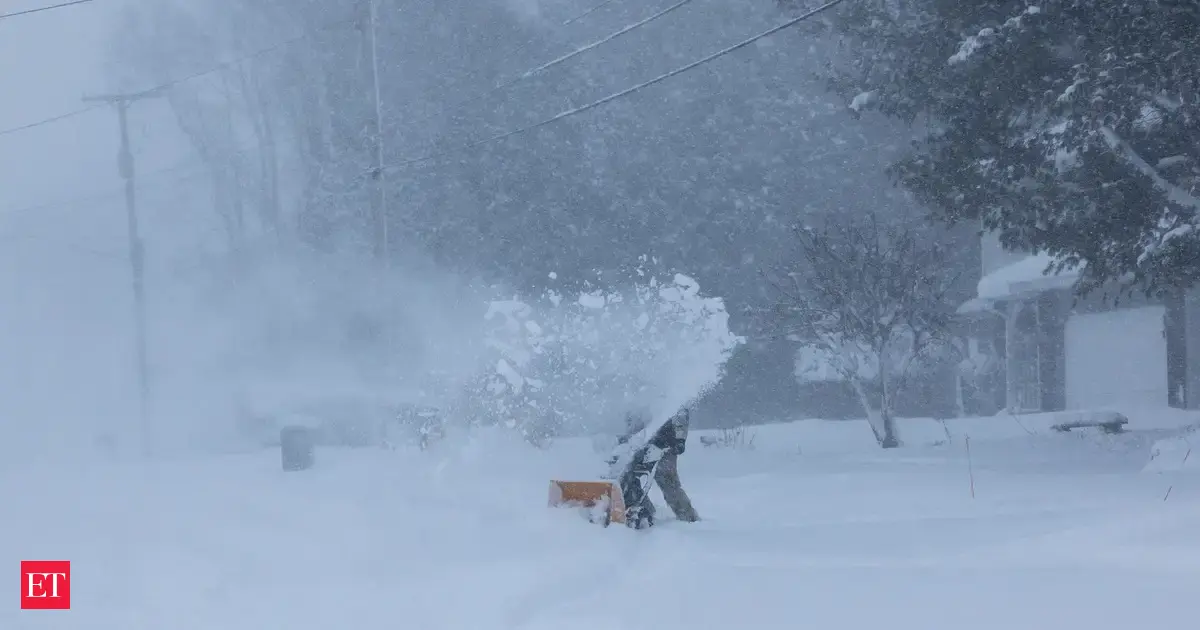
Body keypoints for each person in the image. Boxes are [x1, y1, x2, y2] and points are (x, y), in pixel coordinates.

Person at [609, 407, 699, 529]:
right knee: (629, 478)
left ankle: (688, 517)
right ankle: (643, 510)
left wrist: (680, 440)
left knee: (668, 482)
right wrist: (627, 437)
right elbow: (633, 420)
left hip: (665, 445)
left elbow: (681, 416)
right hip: (640, 446)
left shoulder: (672, 396)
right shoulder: (640, 397)